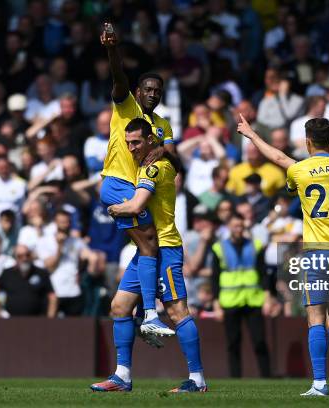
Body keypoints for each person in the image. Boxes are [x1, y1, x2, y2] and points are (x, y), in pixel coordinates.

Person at [238, 115, 329, 396]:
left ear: (308, 141)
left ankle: (320, 384)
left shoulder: (299, 170)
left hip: (318, 252)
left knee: (315, 318)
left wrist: (252, 135)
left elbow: (277, 157)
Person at [92, 118, 206, 393]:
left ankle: (198, 379)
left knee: (178, 313)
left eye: (137, 142)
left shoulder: (154, 168)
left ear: (151, 141)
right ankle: (122, 376)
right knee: (119, 306)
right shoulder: (153, 164)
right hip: (146, 252)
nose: (131, 148)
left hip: (165, 248)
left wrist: (113, 208)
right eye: (128, 143)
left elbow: (136, 205)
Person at [99, 23, 177, 335]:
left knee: (146, 251)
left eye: (158, 91)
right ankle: (150, 314)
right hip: (118, 183)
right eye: (148, 89)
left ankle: (122, 375)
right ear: (137, 92)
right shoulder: (126, 107)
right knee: (148, 242)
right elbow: (119, 78)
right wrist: (112, 49)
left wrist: (162, 149)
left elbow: (175, 160)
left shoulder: (162, 124)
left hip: (140, 190)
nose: (153, 94)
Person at [211, 212, 272, 378]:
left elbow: (263, 274)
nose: (238, 229)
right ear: (229, 227)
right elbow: (214, 278)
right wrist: (216, 305)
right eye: (235, 226)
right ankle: (235, 378)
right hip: (230, 302)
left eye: (241, 226)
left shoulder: (255, 246)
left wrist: (267, 299)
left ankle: (267, 377)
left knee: (259, 341)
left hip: (253, 299)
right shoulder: (219, 248)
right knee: (233, 343)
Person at [0, 244, 57, 318]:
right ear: (15, 258)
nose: (24, 259)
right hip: (11, 322)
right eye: (20, 256)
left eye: (27, 255)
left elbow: (52, 296)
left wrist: (50, 319)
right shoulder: (7, 273)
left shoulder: (41, 273)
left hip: (37, 321)